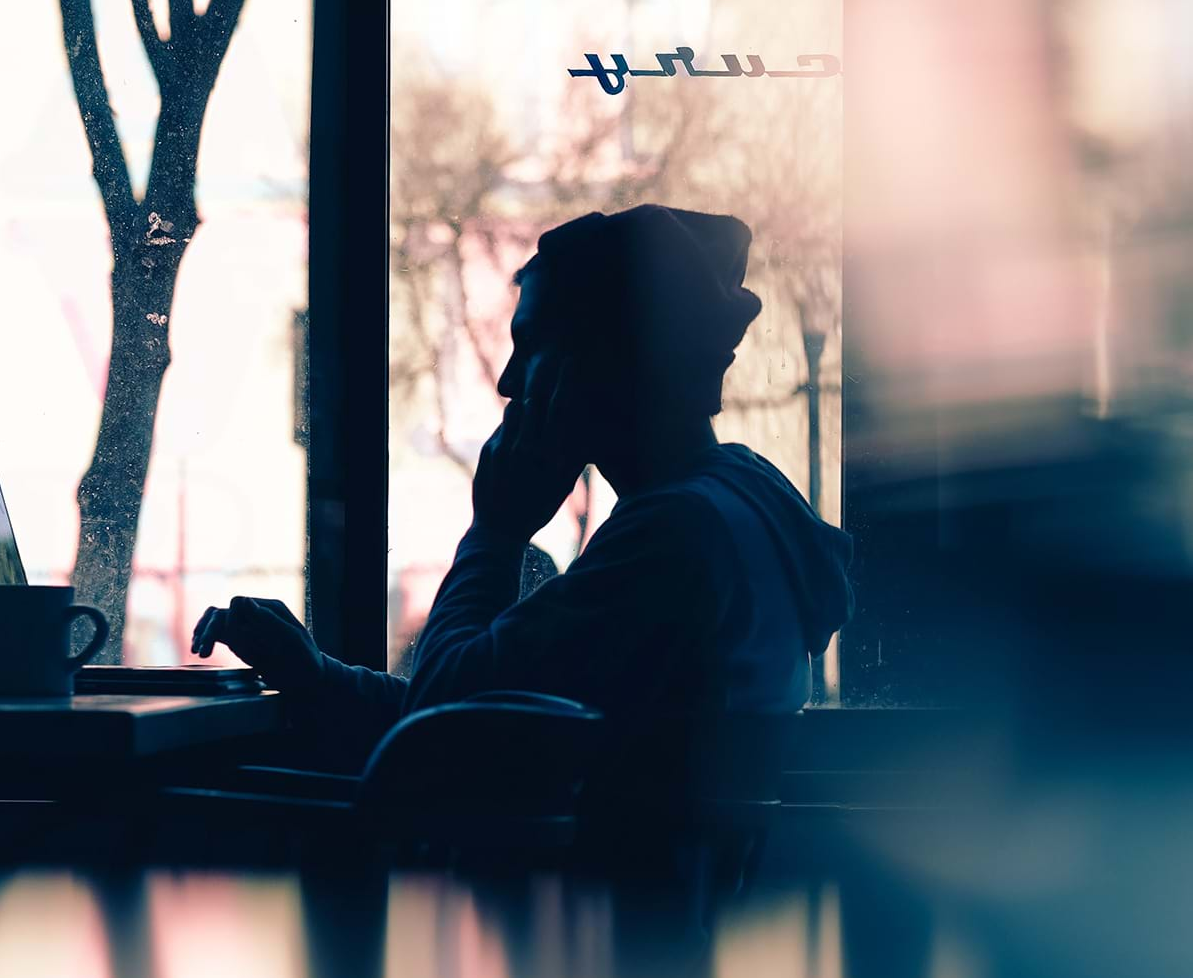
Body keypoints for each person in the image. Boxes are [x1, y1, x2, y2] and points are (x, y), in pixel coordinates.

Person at [193, 205, 853, 770]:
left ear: (608, 357)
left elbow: (440, 724)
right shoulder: (737, 499)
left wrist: (496, 533)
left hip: (580, 909)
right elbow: (486, 702)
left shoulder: (671, 538)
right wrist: (315, 675)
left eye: (530, 344)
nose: (509, 381)